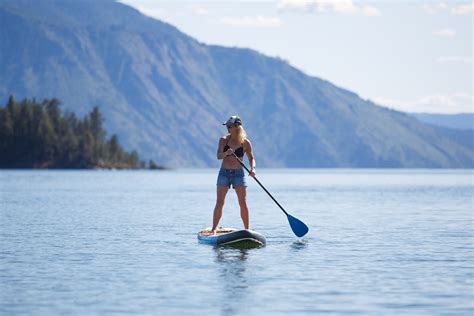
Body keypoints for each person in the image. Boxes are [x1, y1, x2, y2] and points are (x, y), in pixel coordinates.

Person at [211, 115, 256, 234]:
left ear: (235, 127)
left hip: (239, 174)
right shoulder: (224, 140)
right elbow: (219, 156)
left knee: (243, 202)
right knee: (220, 202)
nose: (227, 128)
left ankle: (247, 230)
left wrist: (253, 169)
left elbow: (251, 158)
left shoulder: (245, 142)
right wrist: (226, 153)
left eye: (228, 126)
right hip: (224, 174)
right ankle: (214, 229)